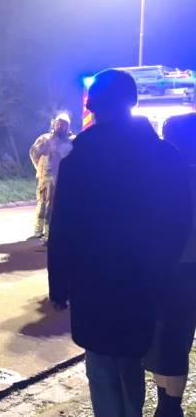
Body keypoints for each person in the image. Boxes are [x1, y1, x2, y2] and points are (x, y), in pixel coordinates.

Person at [47, 68, 192, 417]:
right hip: (142, 282)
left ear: (93, 107)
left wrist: (59, 285)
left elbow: (63, 226)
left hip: (92, 282)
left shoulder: (79, 160)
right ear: (133, 103)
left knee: (100, 365)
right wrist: (161, 269)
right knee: (131, 359)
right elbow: (179, 222)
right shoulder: (166, 156)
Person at [144, 112, 196, 417]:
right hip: (181, 268)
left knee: (168, 338)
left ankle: (168, 406)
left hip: (174, 268)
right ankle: (167, 403)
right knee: (173, 339)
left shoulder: (164, 178)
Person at [29, 114, 75, 245]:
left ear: (68, 127)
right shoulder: (46, 139)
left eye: (64, 124)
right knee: (49, 206)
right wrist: (40, 169)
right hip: (50, 179)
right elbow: (34, 154)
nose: (61, 127)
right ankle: (48, 235)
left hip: (67, 180)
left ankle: (64, 233)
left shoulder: (73, 141)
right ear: (54, 125)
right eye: (58, 124)